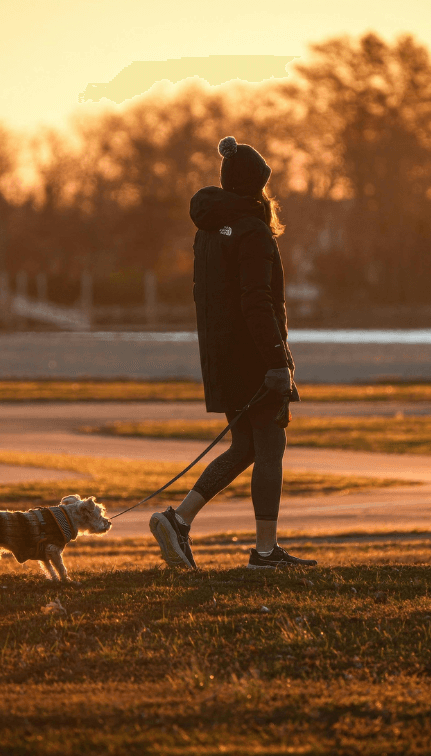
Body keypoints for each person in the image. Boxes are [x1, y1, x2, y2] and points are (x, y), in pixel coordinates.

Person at [149, 136, 318, 571]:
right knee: (270, 446)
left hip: (221, 358)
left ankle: (178, 519)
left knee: (244, 446)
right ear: (255, 186)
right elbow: (257, 302)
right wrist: (278, 363)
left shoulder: (208, 230)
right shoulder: (252, 230)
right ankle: (264, 553)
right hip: (255, 359)